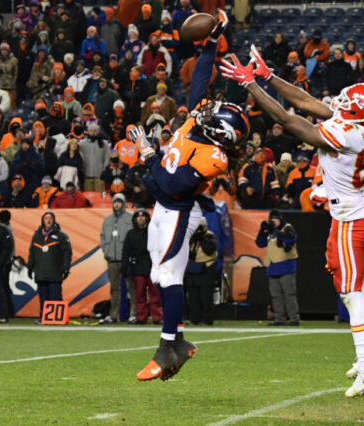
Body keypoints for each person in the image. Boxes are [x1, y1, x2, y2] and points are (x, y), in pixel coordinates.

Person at [222, 47, 364, 397]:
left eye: (346, 104)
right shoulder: (363, 125)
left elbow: (287, 120)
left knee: (349, 290)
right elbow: (306, 101)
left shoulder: (347, 134)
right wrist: (269, 77)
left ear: (356, 113)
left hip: (350, 217)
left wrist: (251, 86)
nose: (339, 104)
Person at [134, 14, 241, 382]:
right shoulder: (197, 122)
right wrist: (212, 41)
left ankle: (167, 346)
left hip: (180, 210)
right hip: (164, 209)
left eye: (215, 114)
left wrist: (149, 157)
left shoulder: (215, 157)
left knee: (168, 272)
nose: (206, 109)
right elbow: (201, 76)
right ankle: (178, 339)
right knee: (159, 275)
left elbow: (169, 184)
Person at [255, 210, 299, 326]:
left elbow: (291, 239)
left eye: (275, 220)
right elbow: (260, 244)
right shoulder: (269, 231)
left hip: (287, 266)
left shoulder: (288, 228)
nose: (273, 223)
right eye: (272, 221)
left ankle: (294, 318)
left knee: (289, 294)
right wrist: (262, 231)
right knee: (275, 295)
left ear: (280, 220)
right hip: (273, 266)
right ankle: (279, 318)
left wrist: (276, 232)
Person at [27, 211, 72, 322]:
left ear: (54, 220)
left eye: (50, 218)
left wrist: (66, 268)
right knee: (43, 298)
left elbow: (67, 253)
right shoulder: (36, 235)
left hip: (55, 273)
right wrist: (29, 267)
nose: (48, 220)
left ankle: (58, 317)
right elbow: (32, 253)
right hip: (40, 273)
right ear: (42, 220)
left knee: (55, 296)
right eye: (46, 218)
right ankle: (44, 317)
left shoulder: (61, 236)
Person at [99, 193, 135, 324]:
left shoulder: (130, 218)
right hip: (111, 259)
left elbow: (133, 238)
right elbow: (102, 237)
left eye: (119, 202)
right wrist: (106, 251)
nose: (117, 204)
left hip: (126, 259)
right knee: (114, 288)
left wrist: (130, 254)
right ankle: (114, 315)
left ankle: (133, 314)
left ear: (124, 203)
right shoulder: (107, 220)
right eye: (115, 202)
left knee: (131, 287)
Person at [121, 208, 161, 325]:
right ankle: (141, 317)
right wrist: (125, 268)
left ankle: (157, 317)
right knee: (139, 296)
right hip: (137, 269)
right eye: (138, 216)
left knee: (155, 295)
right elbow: (126, 252)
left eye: (143, 216)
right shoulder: (130, 234)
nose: (141, 218)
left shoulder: (154, 232)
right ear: (135, 219)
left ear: (147, 218)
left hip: (152, 268)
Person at [185, 217, 219, 326]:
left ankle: (207, 319)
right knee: (193, 298)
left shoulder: (210, 236)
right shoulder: (191, 238)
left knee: (206, 298)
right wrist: (193, 237)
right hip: (192, 272)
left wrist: (202, 237)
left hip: (206, 272)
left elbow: (210, 249)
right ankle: (194, 319)